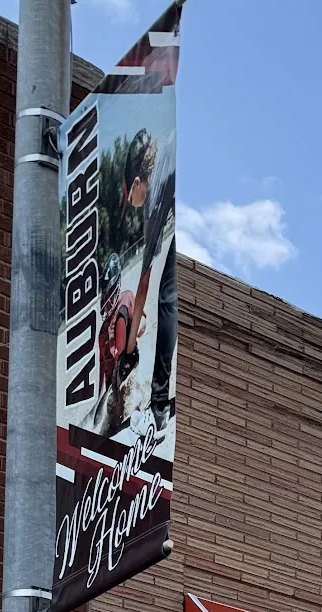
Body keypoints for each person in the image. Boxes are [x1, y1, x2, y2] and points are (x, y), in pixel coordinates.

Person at [121, 126, 176, 434]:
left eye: (129, 196)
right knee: (169, 294)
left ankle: (158, 409)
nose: (131, 203)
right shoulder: (166, 151)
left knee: (168, 300)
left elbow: (143, 283)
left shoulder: (152, 196)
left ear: (137, 182)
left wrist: (128, 353)